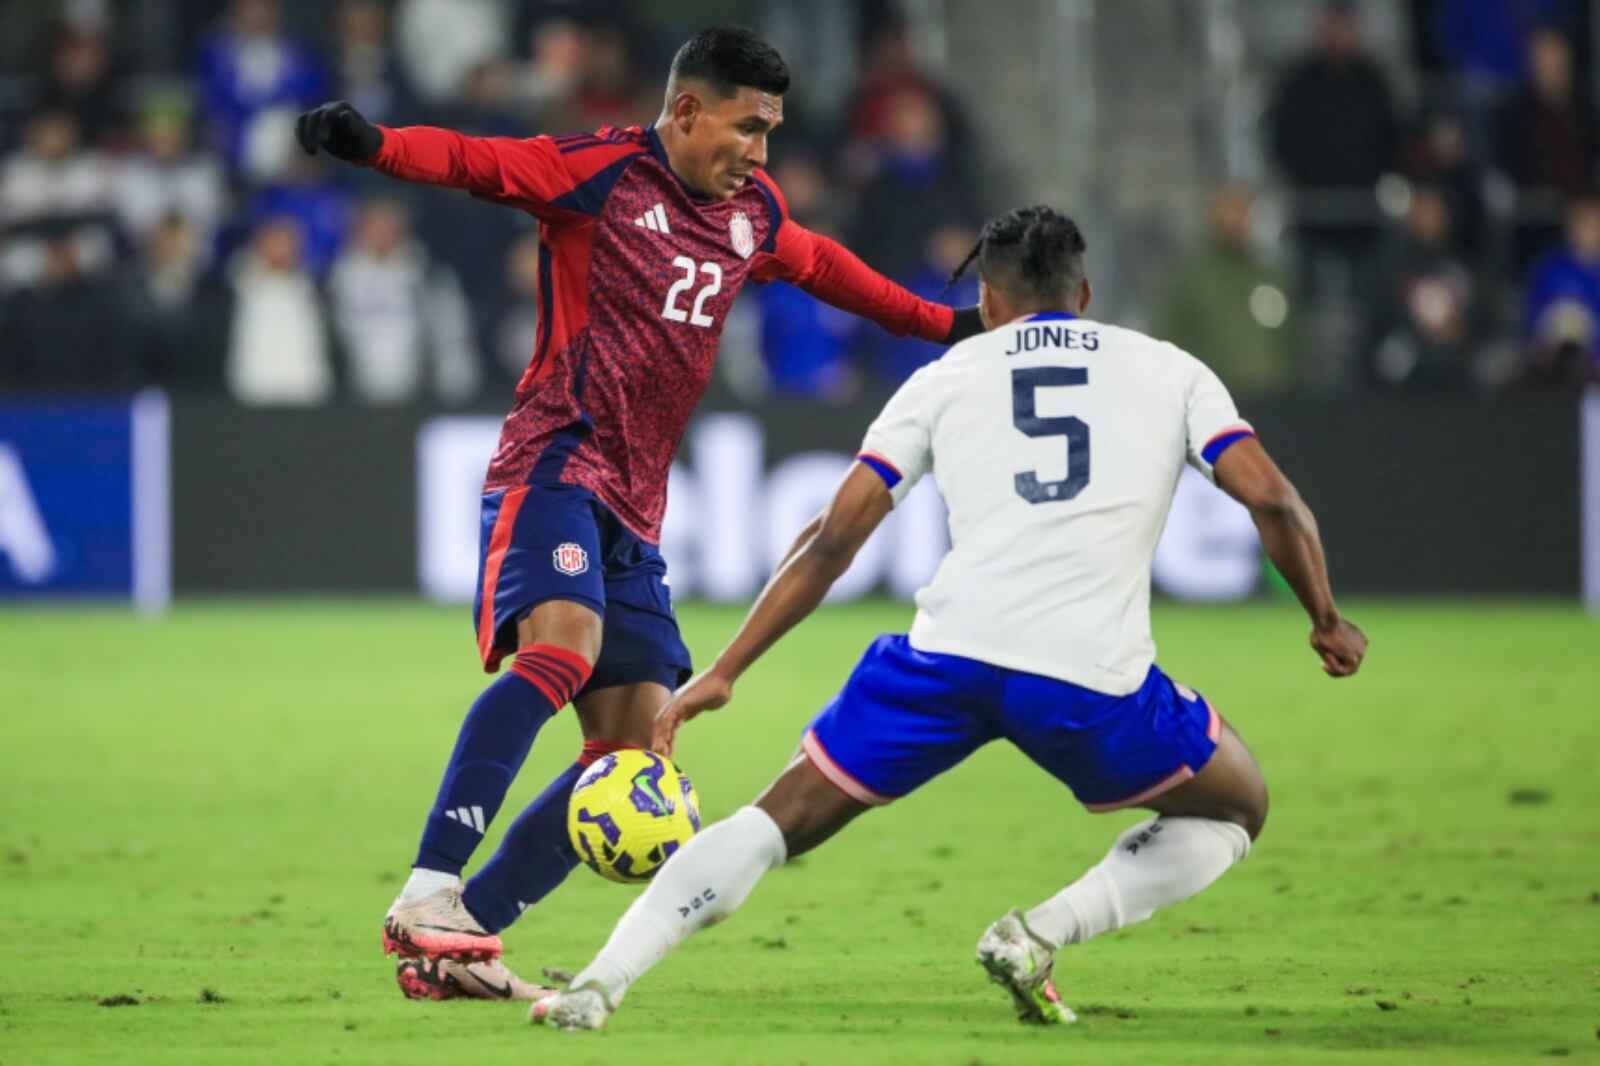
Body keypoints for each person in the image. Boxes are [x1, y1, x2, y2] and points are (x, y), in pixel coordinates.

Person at [530, 206, 1368, 1031]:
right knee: (1235, 806)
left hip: (945, 660)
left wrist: (726, 668)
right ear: (1083, 295)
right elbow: (1276, 504)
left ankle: (599, 983)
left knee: (774, 821)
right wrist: (1326, 618)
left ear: (988, 303)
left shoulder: (943, 378)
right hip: (1085, 674)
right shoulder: (1169, 370)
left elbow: (831, 540)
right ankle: (1039, 933)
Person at [295, 24, 983, 1002]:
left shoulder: (751, 212)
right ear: (687, 110)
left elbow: (827, 267)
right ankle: (427, 888)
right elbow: (478, 162)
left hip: (637, 505)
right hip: (555, 462)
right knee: (563, 649)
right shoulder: (601, 174)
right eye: (747, 127)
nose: (760, 153)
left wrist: (946, 325)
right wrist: (375, 146)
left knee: (633, 749)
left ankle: (463, 937)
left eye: (771, 132)